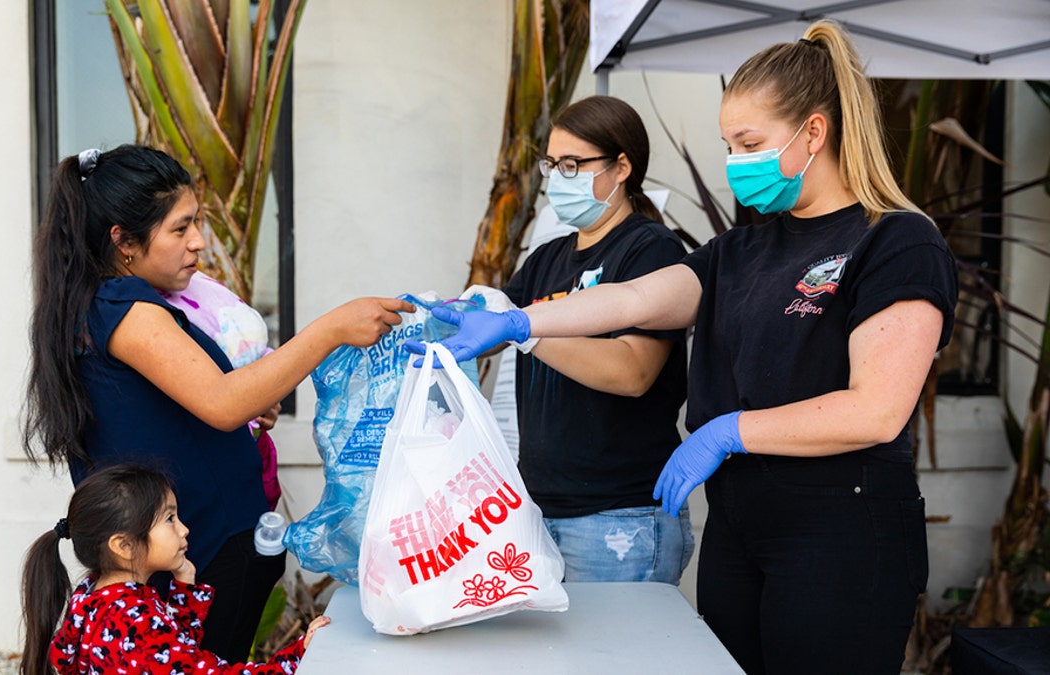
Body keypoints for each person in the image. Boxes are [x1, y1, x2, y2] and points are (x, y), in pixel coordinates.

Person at [409, 20, 957, 675]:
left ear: (815, 132)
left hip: (839, 529)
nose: (735, 162)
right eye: (728, 145)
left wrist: (729, 430)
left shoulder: (895, 240)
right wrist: (519, 322)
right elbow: (636, 300)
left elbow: (876, 410)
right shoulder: (741, 248)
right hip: (739, 526)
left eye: (750, 143)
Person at [23, 144, 411, 662]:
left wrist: (252, 403)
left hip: (198, 550)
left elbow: (187, 406)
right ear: (124, 242)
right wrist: (333, 328)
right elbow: (221, 403)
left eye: (197, 223)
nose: (198, 243)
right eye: (179, 229)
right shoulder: (124, 308)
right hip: (199, 554)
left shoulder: (99, 307)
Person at [467, 95, 691, 583]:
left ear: (621, 167)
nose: (556, 178)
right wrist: (447, 317)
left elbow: (633, 371)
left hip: (619, 519)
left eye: (572, 164)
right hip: (539, 511)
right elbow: (489, 332)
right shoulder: (548, 257)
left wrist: (527, 331)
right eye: (552, 163)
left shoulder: (651, 248)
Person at [19, 463, 330, 675]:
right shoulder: (134, 619)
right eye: (169, 519)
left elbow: (171, 651)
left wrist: (185, 588)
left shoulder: (95, 596)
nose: (184, 530)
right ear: (124, 545)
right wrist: (299, 653)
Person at [158, 270, 283, 509]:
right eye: (179, 230)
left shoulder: (193, 283)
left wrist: (264, 397)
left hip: (247, 462)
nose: (198, 243)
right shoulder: (137, 310)